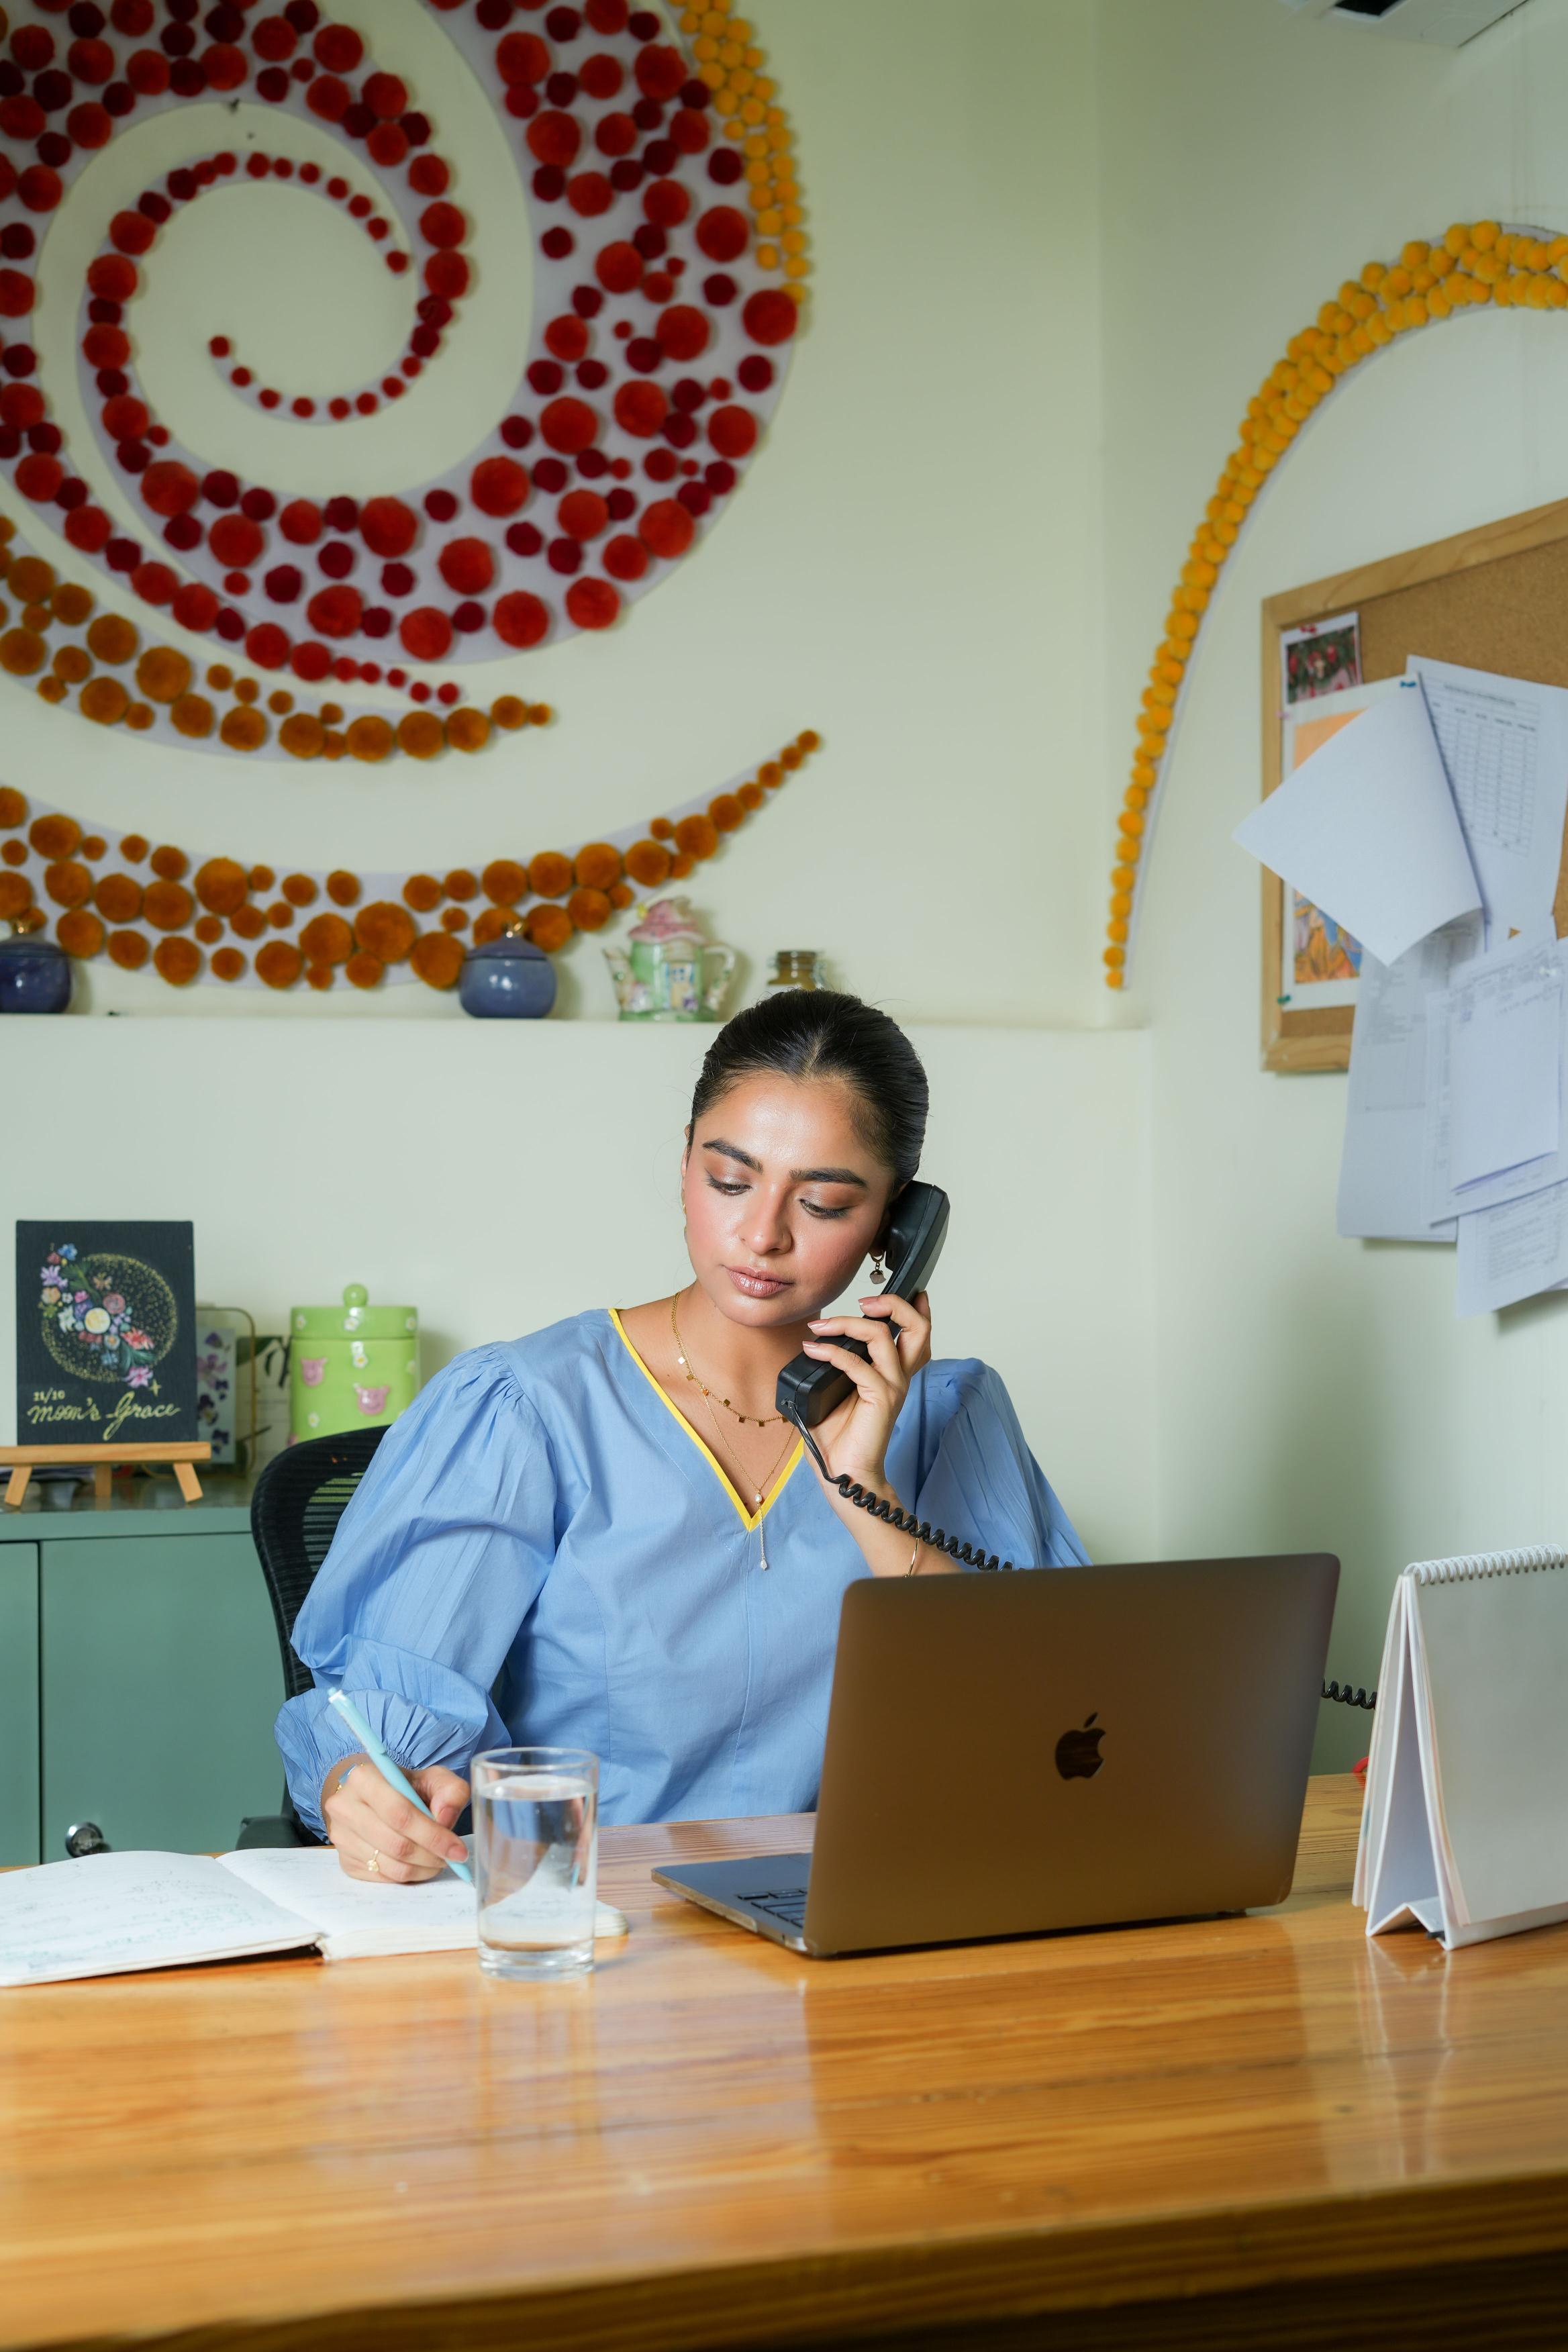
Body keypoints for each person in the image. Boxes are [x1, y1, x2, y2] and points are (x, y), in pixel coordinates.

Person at [275, 991, 1088, 1881]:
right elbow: (382, 1725)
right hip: (595, 1917)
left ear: (896, 1225)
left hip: (863, 1908)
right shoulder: (526, 1409)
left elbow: (1043, 1733)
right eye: (730, 1181)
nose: (762, 1234)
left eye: (822, 1203)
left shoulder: (952, 1416)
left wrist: (866, 1491)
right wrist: (361, 1790)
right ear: (685, 1164)